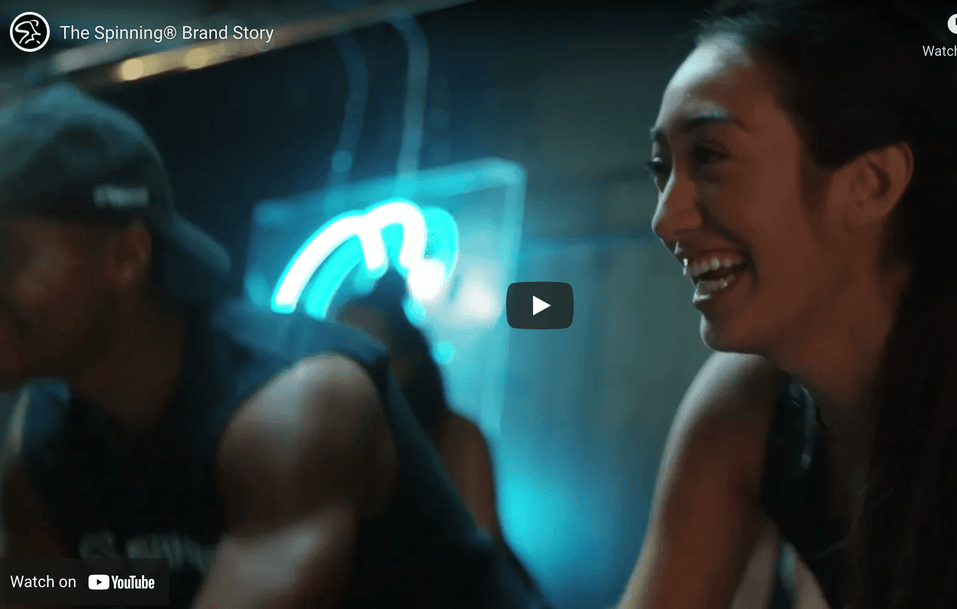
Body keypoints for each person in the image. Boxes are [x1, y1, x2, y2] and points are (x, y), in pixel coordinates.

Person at [0, 83, 550, 608]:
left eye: (7, 255)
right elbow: (64, 588)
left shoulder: (297, 400)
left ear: (125, 256)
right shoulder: (46, 433)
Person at [620, 2, 957, 609]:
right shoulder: (745, 405)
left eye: (709, 156)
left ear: (871, 184)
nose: (664, 219)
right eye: (662, 168)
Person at [335, 270, 502, 542]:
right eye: (335, 349)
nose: (343, 367)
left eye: (361, 353)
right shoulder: (321, 430)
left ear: (407, 364)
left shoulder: (456, 437)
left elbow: (481, 545)